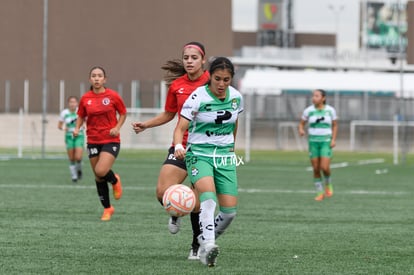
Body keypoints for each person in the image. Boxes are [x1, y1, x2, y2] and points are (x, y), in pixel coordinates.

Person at [132, 42, 209, 260]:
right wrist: (146, 125)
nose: (189, 61)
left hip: (204, 150)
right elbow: (168, 114)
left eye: (194, 57)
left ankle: (196, 244)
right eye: (186, 57)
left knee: (197, 200)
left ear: (203, 60)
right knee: (162, 192)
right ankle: (176, 211)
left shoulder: (213, 83)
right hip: (180, 145)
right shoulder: (177, 86)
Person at [173, 57, 243, 267]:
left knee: (229, 212)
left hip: (224, 157)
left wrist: (232, 146)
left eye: (226, 80)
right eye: (217, 79)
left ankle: (204, 239)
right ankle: (208, 247)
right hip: (199, 155)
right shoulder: (197, 97)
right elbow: (180, 128)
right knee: (208, 198)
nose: (221, 84)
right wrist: (178, 146)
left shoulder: (237, 97)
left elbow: (234, 122)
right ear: (210, 76)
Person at [73, 66, 127, 221]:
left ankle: (115, 180)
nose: (97, 78)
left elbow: (123, 113)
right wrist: (77, 128)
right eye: (94, 76)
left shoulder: (112, 96)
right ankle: (108, 209)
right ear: (90, 79)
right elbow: (81, 116)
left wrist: (117, 127)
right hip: (93, 140)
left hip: (111, 140)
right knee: (98, 176)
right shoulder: (85, 98)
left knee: (101, 170)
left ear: (105, 79)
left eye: (100, 76)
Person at [298, 89, 338, 201]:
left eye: (316, 96)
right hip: (313, 142)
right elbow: (301, 124)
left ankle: (328, 183)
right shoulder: (308, 111)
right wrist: (301, 130)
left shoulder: (330, 110)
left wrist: (333, 139)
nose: (313, 98)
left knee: (324, 167)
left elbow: (335, 125)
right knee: (316, 168)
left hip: (326, 141)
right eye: (313, 96)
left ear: (323, 98)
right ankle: (320, 192)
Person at [58, 96, 84, 182]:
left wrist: (84, 126)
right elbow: (59, 126)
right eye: (71, 102)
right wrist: (64, 128)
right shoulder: (64, 113)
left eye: (74, 102)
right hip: (69, 137)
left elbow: (87, 121)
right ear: (68, 103)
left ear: (77, 103)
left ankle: (79, 169)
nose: (72, 104)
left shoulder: (80, 111)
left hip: (79, 135)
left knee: (78, 157)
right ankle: (74, 176)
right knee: (72, 158)